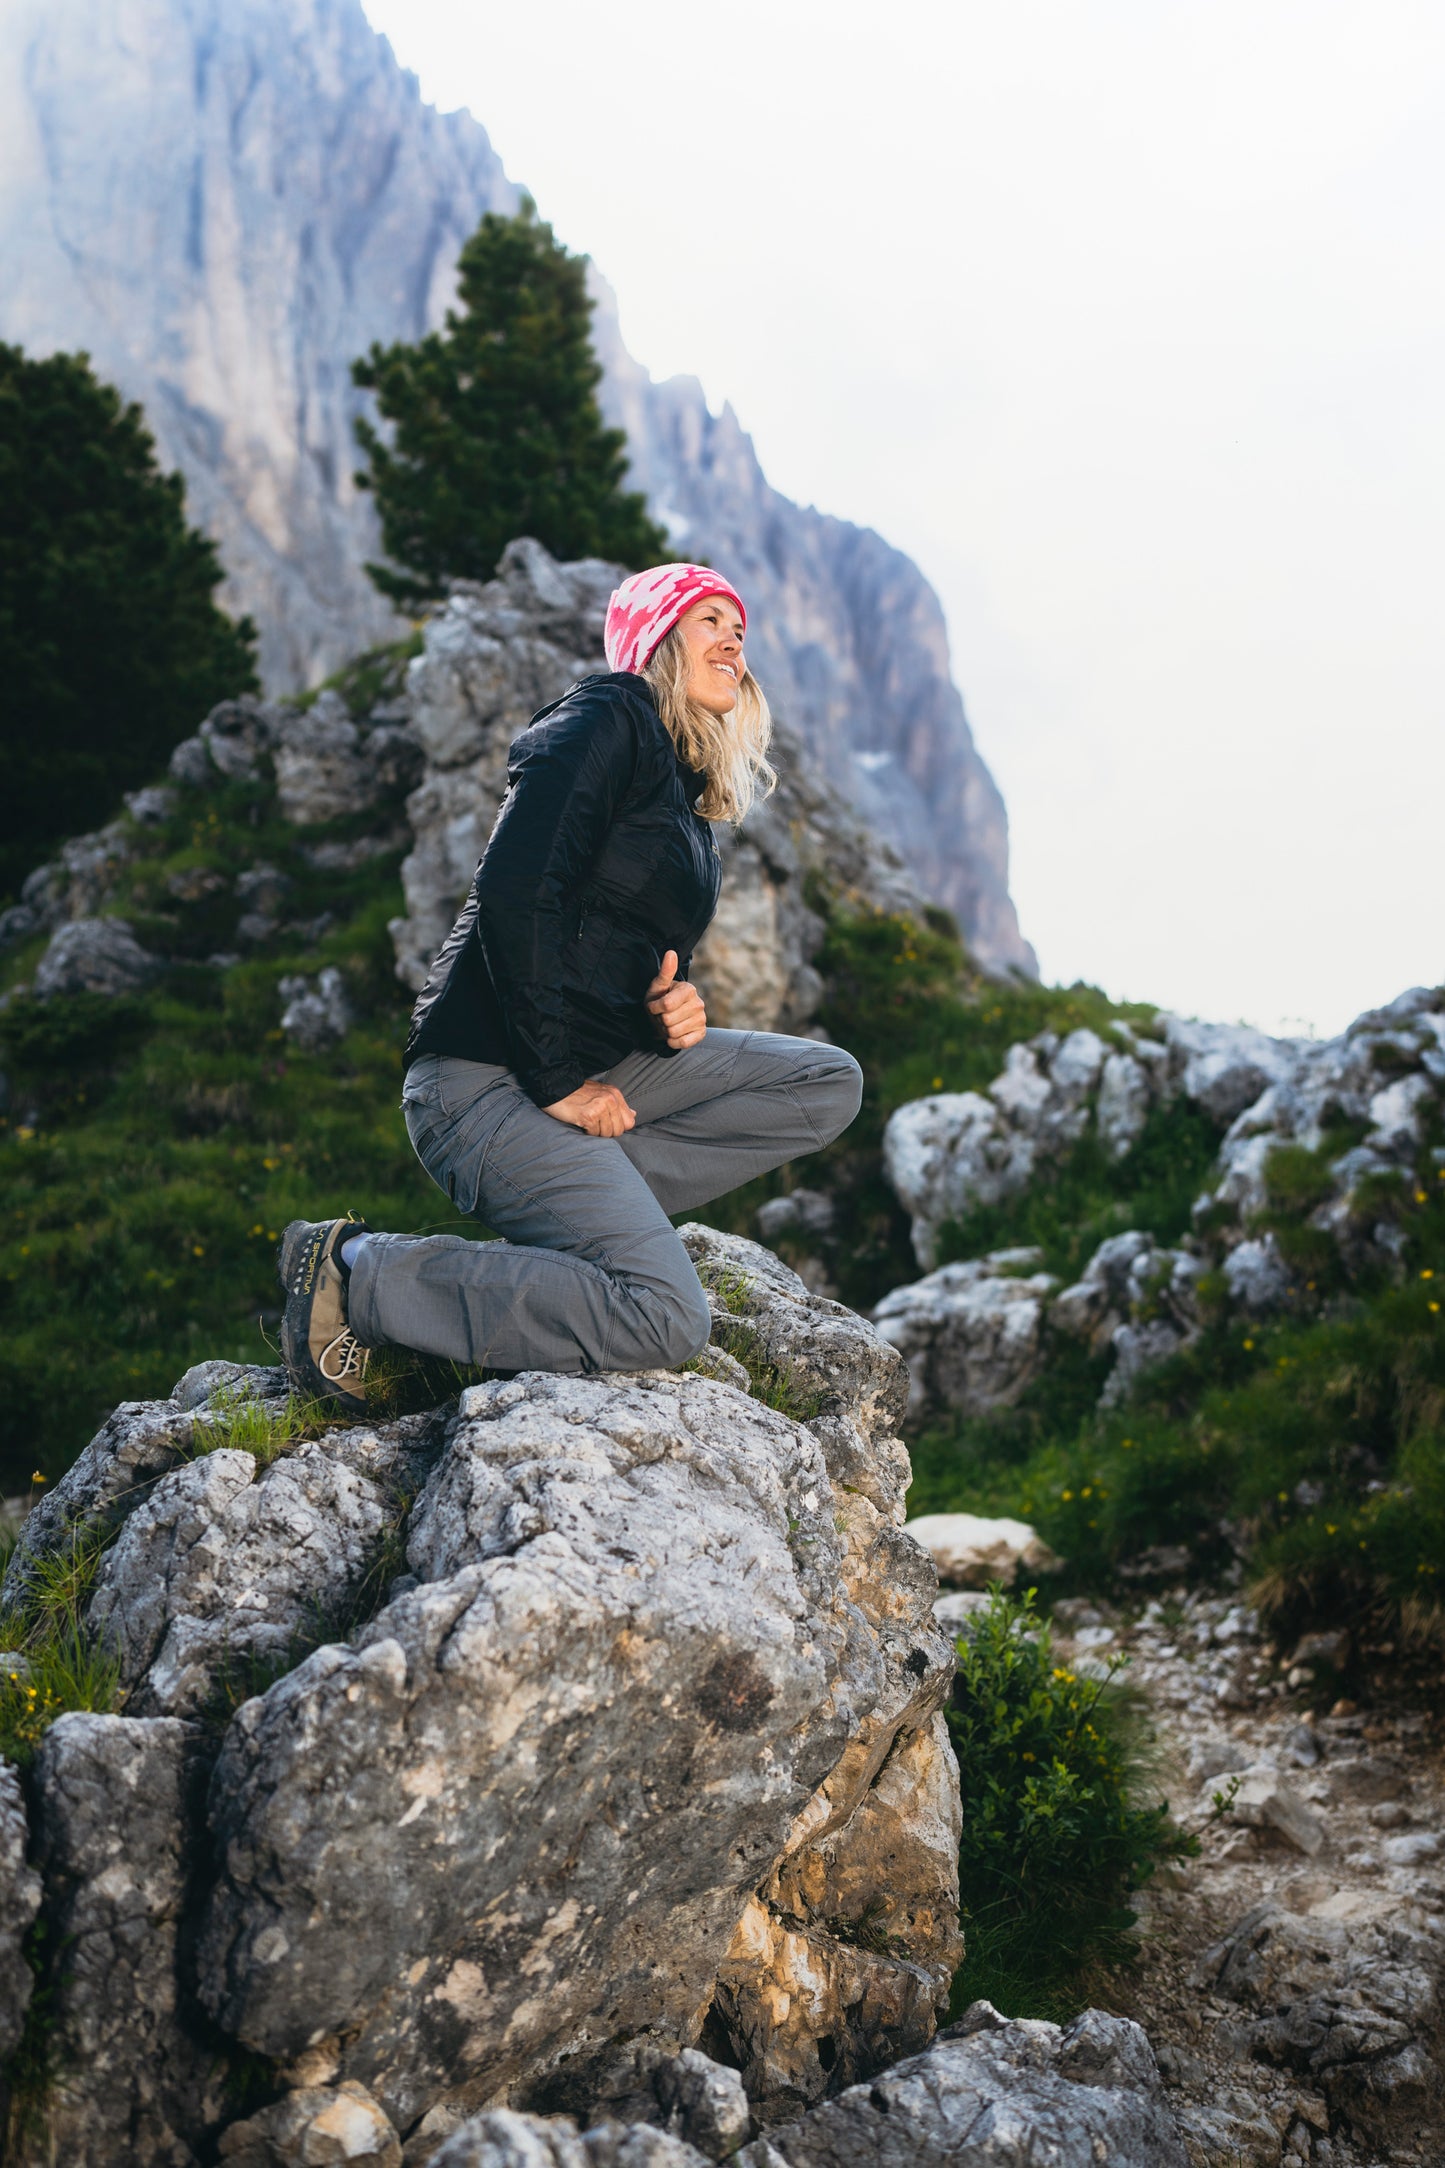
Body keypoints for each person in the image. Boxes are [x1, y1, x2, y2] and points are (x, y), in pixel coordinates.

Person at [277, 563, 863, 1409]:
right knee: (664, 1319)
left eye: (738, 625)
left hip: (598, 1068)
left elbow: (626, 952)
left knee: (824, 1083)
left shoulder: (689, 806)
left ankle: (586, 1212)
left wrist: (673, 1010)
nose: (733, 637)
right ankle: (358, 1271)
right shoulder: (609, 714)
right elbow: (517, 890)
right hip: (481, 1083)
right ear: (657, 640)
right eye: (707, 619)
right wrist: (556, 1084)